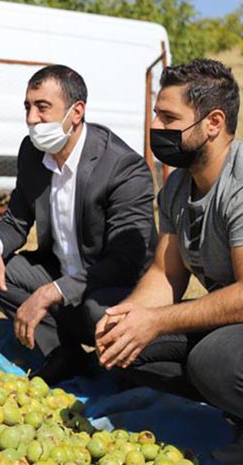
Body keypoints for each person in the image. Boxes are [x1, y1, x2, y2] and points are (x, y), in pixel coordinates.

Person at [94, 59, 243, 463]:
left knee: (214, 359)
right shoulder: (178, 185)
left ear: (213, 122)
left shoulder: (240, 182)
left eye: (169, 116)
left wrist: (157, 320)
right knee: (128, 343)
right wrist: (130, 317)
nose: (156, 126)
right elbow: (164, 271)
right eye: (156, 114)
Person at [0, 65, 156, 385]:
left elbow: (124, 263)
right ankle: (62, 352)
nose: (31, 119)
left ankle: (122, 364)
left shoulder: (122, 166)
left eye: (43, 108)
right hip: (59, 272)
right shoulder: (32, 152)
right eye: (27, 107)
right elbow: (16, 219)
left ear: (76, 112)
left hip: (112, 287)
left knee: (101, 313)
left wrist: (50, 293)